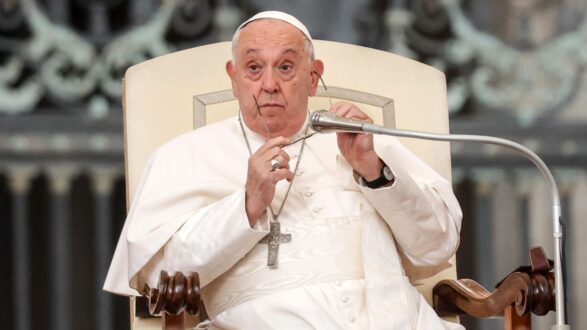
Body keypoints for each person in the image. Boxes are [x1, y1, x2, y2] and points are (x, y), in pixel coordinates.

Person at [105, 11, 464, 330]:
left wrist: (374, 172)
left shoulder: (365, 142)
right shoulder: (184, 155)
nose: (269, 84)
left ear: (313, 76)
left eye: (286, 67)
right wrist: (245, 206)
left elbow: (437, 247)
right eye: (254, 68)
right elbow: (159, 278)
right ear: (234, 78)